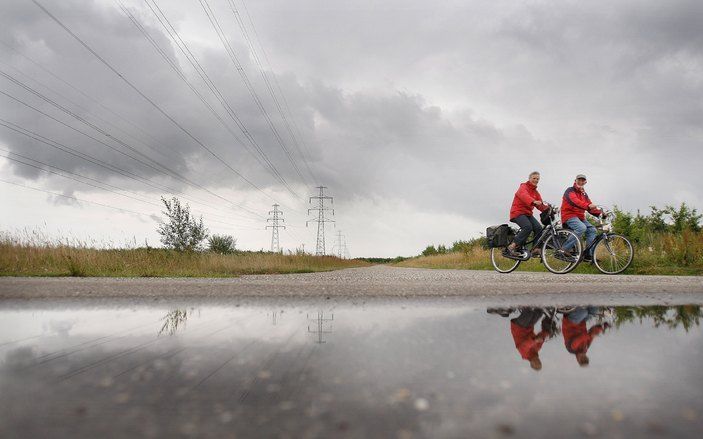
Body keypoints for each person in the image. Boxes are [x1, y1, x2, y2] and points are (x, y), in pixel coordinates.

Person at [506, 172, 550, 257]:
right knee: (527, 227)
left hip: (528, 214)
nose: (536, 180)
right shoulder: (523, 187)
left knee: (539, 228)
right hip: (517, 212)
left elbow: (540, 205)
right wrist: (533, 201)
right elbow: (524, 195)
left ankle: (535, 249)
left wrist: (549, 209)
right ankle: (512, 246)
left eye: (537, 179)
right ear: (529, 178)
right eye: (534, 178)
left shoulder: (535, 192)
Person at [561, 174, 602, 262]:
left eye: (583, 180)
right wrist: (588, 205)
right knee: (581, 227)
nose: (581, 182)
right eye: (579, 180)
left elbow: (590, 207)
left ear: (585, 182)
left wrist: (601, 214)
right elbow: (575, 201)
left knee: (592, 230)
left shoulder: (584, 194)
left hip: (580, 217)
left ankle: (588, 254)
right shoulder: (570, 191)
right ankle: (564, 249)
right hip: (569, 215)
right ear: (575, 180)